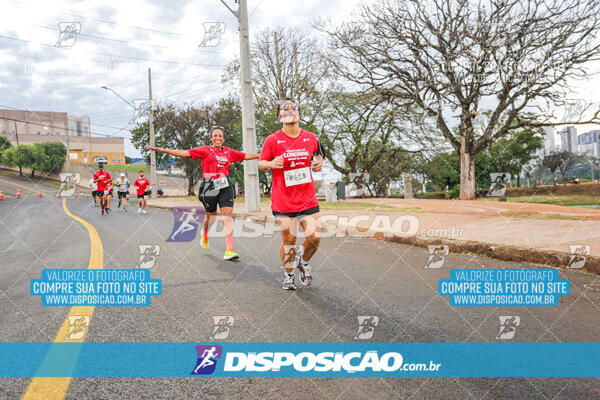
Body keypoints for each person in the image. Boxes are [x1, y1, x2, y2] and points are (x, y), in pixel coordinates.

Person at [148, 126, 259, 260]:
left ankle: (229, 250)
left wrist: (265, 155)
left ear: (223, 138)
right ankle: (205, 233)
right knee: (210, 217)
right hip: (209, 187)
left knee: (227, 217)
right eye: (215, 135)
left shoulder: (229, 152)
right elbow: (183, 153)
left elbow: (246, 156)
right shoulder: (204, 150)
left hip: (225, 186)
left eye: (220, 136)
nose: (218, 138)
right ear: (211, 138)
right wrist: (161, 150)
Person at [258, 98, 323, 290]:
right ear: (279, 116)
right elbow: (261, 163)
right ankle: (288, 274)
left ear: (299, 114)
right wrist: (271, 164)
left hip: (307, 197)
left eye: (293, 108)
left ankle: (303, 262)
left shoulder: (311, 138)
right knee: (290, 240)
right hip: (283, 199)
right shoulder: (272, 140)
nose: (290, 110)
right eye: (285, 109)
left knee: (315, 237)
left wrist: (318, 164)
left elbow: (318, 156)